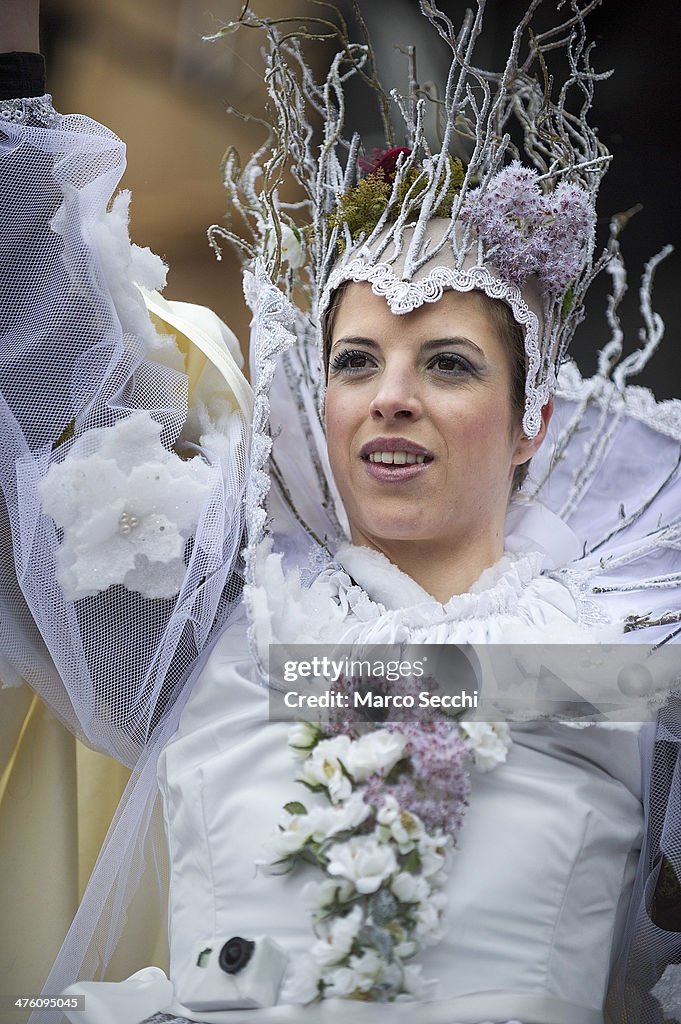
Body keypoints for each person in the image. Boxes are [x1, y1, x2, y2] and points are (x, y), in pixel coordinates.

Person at [1, 2, 680, 1023]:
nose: (389, 396)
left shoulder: (632, 652)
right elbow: (48, 361)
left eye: (447, 363)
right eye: (355, 360)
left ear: (533, 418)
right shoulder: (217, 616)